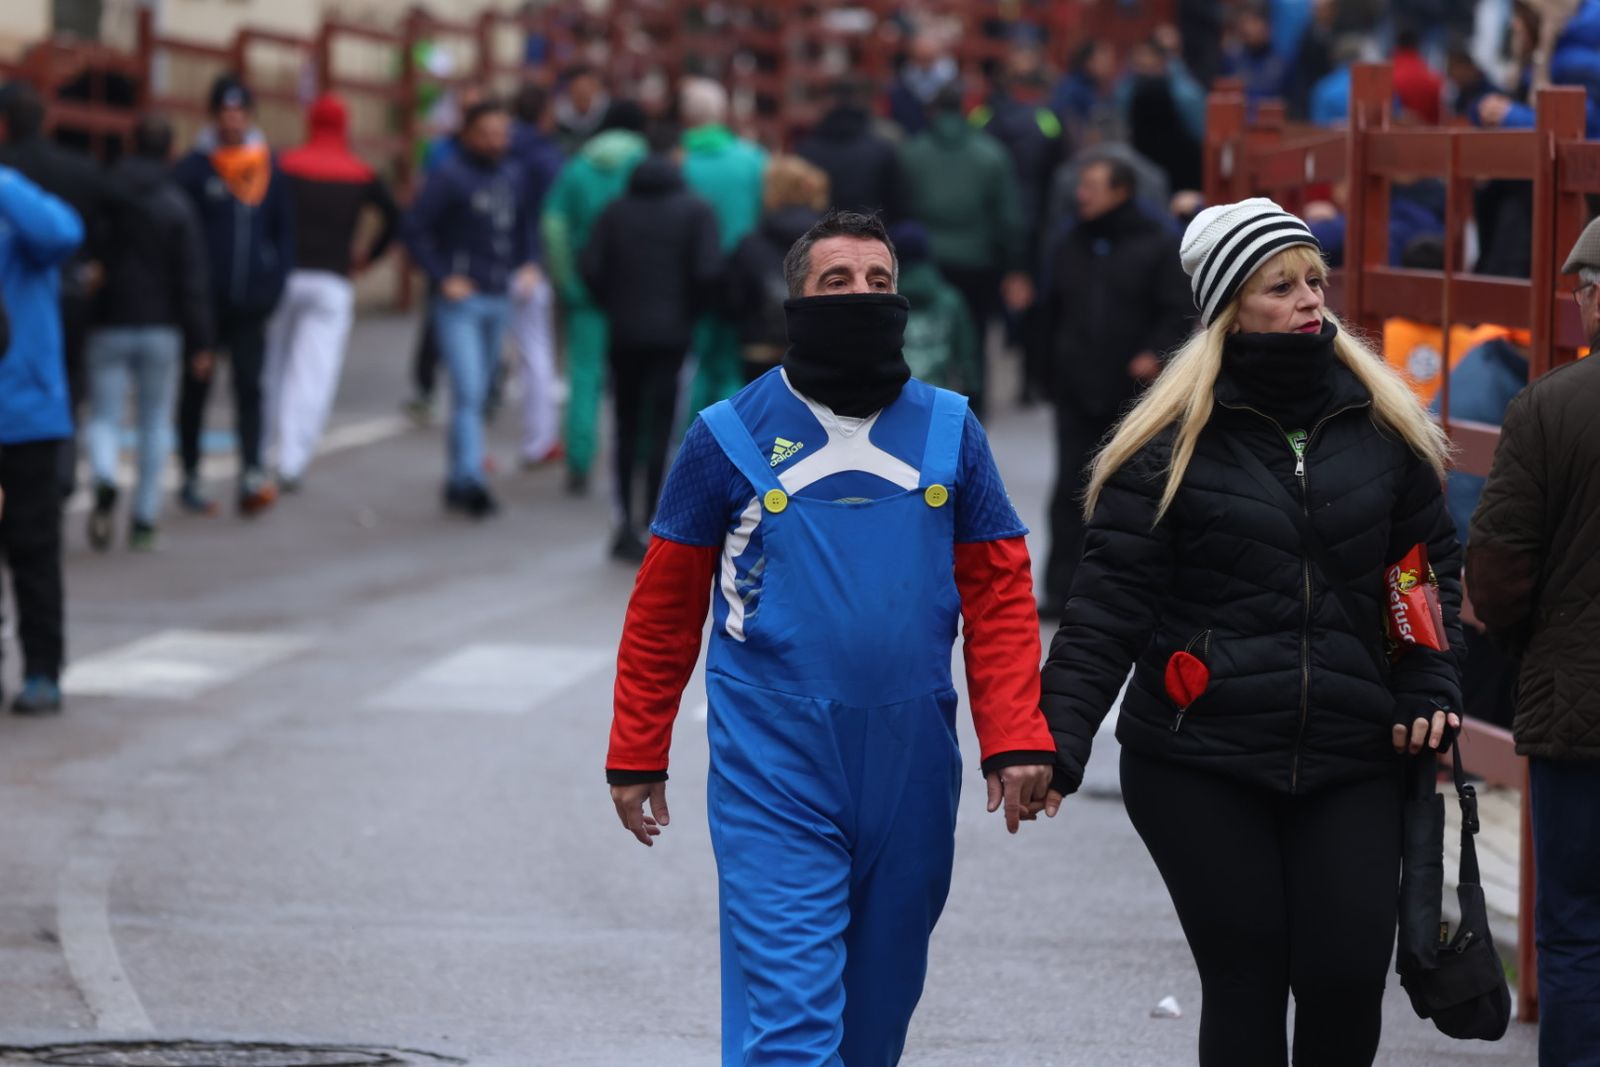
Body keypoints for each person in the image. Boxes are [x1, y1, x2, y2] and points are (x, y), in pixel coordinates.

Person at [605, 209, 1054, 1064]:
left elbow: (1000, 598)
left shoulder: (953, 431)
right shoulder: (724, 438)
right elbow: (662, 611)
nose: (861, 295)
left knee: (873, 1026)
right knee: (792, 1027)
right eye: (836, 281)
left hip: (913, 759)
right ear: (796, 302)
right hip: (773, 761)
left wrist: (1015, 735)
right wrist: (637, 750)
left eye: (879, 282)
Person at [1038, 199, 1464, 1067]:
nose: (1312, 300)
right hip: (1202, 752)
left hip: (1353, 747)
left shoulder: (1384, 426)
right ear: (1232, 305)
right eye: (1283, 286)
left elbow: (1416, 568)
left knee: (1346, 976)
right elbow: (1109, 600)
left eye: (1316, 280)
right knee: (1248, 972)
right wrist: (1056, 736)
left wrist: (1426, 678)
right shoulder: (1167, 443)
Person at [1467, 216, 1600, 1067]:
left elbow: (1498, 575)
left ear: (1594, 296)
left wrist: (1531, 646)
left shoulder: (1549, 408)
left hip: (1578, 706)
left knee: (1577, 927)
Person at [1038, 157, 1191, 617]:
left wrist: (1154, 353)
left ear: (1121, 191)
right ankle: (1061, 589)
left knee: (1134, 490)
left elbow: (1176, 309)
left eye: (1092, 185)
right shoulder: (1069, 240)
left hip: (1133, 393)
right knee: (1069, 486)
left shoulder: (1159, 241)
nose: (1081, 193)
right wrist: (1046, 367)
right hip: (1076, 387)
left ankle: (1131, 592)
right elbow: (1052, 308)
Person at [582, 132, 721, 561]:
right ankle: (654, 521)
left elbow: (590, 268)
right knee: (662, 426)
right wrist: (689, 312)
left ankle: (624, 520)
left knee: (624, 423)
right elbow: (707, 271)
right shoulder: (697, 211)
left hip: (624, 332)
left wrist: (615, 305)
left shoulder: (614, 212)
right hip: (673, 334)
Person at [403, 98, 541, 519]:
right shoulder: (448, 177)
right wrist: (442, 275)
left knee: (481, 391)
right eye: (488, 133)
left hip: (499, 296)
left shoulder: (511, 175)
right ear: (468, 135)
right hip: (461, 301)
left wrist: (529, 262)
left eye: (503, 133)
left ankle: (457, 477)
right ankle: (472, 479)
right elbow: (413, 227)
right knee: (468, 389)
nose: (497, 141)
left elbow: (523, 226)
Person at [84, 115, 212, 553]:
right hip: (162, 326)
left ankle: (103, 475)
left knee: (103, 415)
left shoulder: (104, 195)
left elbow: (87, 256)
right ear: (170, 149)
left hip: (109, 321)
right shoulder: (176, 205)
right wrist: (201, 340)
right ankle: (144, 518)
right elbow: (192, 278)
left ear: (130, 142)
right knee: (154, 422)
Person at [172, 74, 294, 517]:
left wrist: (273, 283)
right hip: (203, 306)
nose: (232, 121)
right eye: (225, 113)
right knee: (196, 387)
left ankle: (252, 470)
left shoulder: (268, 168)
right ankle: (190, 473)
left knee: (249, 386)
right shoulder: (193, 169)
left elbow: (283, 232)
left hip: (250, 305)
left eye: (240, 113)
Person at [264, 92, 398, 493]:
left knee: (273, 367)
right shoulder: (360, 173)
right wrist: (368, 257)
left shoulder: (284, 165)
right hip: (332, 281)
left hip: (284, 277)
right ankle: (293, 459)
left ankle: (265, 449)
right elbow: (394, 218)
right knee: (313, 375)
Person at [0, 164, 83, 715]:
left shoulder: (21, 223)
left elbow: (64, 233)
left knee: (32, 547)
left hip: (27, 413)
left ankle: (42, 670)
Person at [900, 83, 1031, 418]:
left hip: (926, 258)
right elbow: (1008, 215)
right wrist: (1015, 264)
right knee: (975, 332)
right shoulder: (992, 154)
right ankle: (975, 406)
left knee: (918, 332)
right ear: (965, 110)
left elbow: (898, 209)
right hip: (978, 260)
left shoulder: (912, 153)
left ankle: (915, 404)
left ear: (931, 112)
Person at [540, 100, 648, 495]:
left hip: (587, 291)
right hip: (637, 292)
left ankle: (579, 461)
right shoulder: (646, 164)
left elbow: (553, 225)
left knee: (584, 377)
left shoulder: (578, 167)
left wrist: (566, 280)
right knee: (637, 380)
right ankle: (638, 458)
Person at [678, 78, 769, 415]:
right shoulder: (752, 160)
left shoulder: (678, 162)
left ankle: (688, 443)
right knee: (730, 365)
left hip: (689, 279)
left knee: (693, 366)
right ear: (723, 113)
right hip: (740, 276)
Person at [721, 155, 827, 383]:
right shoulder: (830, 244)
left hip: (759, 349)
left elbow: (732, 302)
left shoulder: (749, 245)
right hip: (816, 348)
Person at [507, 83, 566, 469]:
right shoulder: (549, 159)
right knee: (536, 353)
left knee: (480, 362)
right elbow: (549, 219)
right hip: (529, 265)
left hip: (486, 263)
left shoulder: (499, 151)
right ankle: (540, 438)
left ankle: (469, 454)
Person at [890, 220, 981, 394]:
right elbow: (967, 354)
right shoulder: (951, 298)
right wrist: (972, 389)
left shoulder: (888, 299)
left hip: (895, 400)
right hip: (938, 400)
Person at [795, 79, 903, 220]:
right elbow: (897, 206)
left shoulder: (806, 151)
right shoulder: (882, 150)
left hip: (821, 235)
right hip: (870, 235)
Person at [889, 31, 959, 136]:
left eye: (929, 59)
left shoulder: (956, 84)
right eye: (921, 59)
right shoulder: (899, 88)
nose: (925, 65)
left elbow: (976, 116)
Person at [553, 64, 610, 153]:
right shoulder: (559, 118)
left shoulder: (607, 113)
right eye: (578, 90)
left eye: (587, 89)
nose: (583, 93)